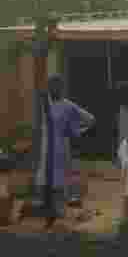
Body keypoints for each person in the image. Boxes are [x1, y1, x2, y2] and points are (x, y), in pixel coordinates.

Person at [33, 76, 95, 230]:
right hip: (46, 148)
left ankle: (57, 217)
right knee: (44, 182)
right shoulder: (43, 104)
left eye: (55, 86)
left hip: (60, 148)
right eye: (50, 86)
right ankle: (49, 216)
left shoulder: (68, 105)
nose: (52, 89)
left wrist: (75, 131)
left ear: (61, 87)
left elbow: (90, 119)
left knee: (58, 183)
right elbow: (39, 127)